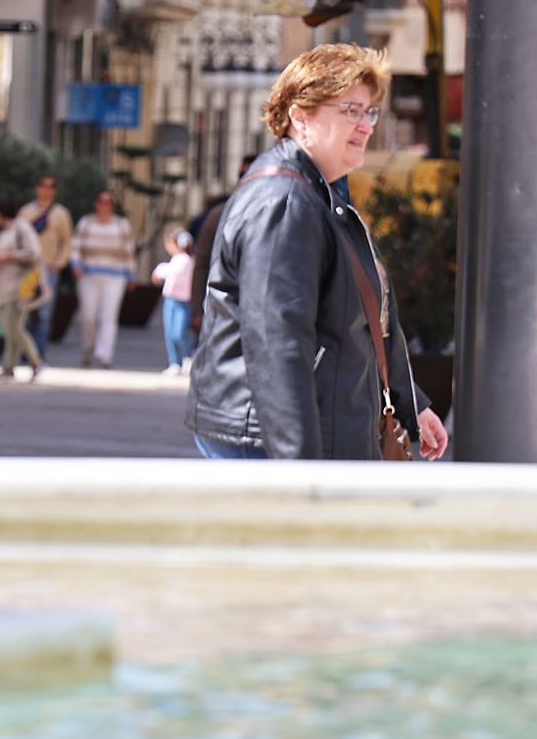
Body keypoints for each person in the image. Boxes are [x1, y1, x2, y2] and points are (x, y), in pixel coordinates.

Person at [185, 43, 449, 460]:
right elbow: (278, 342)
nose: (364, 125)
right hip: (269, 440)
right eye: (350, 111)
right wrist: (301, 471)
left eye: (369, 112)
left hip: (314, 428)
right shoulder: (285, 201)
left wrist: (408, 401)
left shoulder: (323, 193)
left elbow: (364, 319)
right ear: (300, 117)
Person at [189, 154, 257, 336]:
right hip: (223, 310)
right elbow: (202, 263)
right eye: (243, 174)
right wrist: (197, 309)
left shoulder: (282, 213)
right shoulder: (219, 215)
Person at [70, 189, 136, 369]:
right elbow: (75, 246)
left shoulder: (122, 225)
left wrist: (131, 274)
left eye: (109, 202)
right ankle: (87, 349)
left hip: (114, 276)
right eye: (101, 201)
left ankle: (105, 355)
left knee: (109, 316)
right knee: (88, 316)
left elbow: (128, 252)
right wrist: (75, 265)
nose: (104, 206)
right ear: (96, 203)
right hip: (89, 275)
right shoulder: (86, 223)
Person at [0, 197, 44, 383]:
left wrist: (7, 256)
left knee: (14, 329)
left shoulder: (21, 228)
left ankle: (36, 361)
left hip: (18, 287)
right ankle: (9, 367)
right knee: (9, 330)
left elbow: (33, 253)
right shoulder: (6, 232)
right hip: (3, 287)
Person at [17, 174, 72, 357]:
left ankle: (38, 354)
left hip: (48, 269)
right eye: (42, 185)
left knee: (44, 313)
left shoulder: (61, 214)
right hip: (27, 268)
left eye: (50, 186)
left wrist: (59, 263)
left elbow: (66, 242)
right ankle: (26, 352)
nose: (46, 189)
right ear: (36, 188)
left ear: (54, 190)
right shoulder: (25, 212)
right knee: (24, 311)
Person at [151, 228, 195, 375]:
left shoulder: (186, 260)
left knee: (179, 332)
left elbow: (171, 271)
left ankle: (188, 356)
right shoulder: (176, 259)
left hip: (183, 301)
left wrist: (159, 271)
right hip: (171, 299)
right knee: (169, 332)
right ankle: (174, 362)